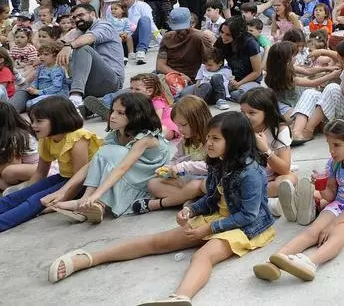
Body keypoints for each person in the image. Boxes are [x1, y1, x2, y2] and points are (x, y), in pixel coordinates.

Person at [47, 112, 276, 306]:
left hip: (246, 227)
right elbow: (213, 198)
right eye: (208, 137)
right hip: (219, 216)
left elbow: (248, 215)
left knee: (203, 255)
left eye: (215, 138)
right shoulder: (219, 163)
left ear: (235, 141)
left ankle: (181, 297)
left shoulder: (250, 173)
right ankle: (89, 258)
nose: (208, 143)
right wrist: (192, 211)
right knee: (157, 242)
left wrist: (208, 228)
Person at [255, 117, 344, 283]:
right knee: (313, 231)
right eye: (329, 144)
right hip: (340, 203)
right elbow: (331, 196)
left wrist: (334, 224)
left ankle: (310, 263)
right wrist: (321, 187)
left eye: (336, 145)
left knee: (339, 232)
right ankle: (275, 260)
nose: (331, 150)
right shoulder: (334, 163)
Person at [51, 92, 172, 223]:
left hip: (145, 179)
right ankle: (85, 202)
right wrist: (63, 191)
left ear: (137, 115)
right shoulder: (115, 135)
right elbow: (94, 162)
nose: (112, 116)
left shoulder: (146, 138)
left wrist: (98, 194)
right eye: (112, 111)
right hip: (131, 172)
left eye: (120, 113)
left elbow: (122, 168)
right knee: (103, 153)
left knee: (112, 152)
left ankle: (96, 202)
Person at [0, 96, 100, 231]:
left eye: (39, 121)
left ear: (58, 120)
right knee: (19, 196)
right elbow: (40, 173)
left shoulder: (77, 138)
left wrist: (59, 201)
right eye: (32, 120)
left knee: (35, 200)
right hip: (64, 177)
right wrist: (27, 191)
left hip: (85, 183)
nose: (33, 125)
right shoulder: (46, 138)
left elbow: (79, 179)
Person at [55, 3, 124, 110]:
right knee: (51, 82)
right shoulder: (80, 31)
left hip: (110, 82)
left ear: (92, 14)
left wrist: (69, 45)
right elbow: (57, 45)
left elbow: (90, 38)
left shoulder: (105, 26)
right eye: (74, 18)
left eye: (80, 15)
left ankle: (76, 96)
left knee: (82, 47)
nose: (77, 19)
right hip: (88, 83)